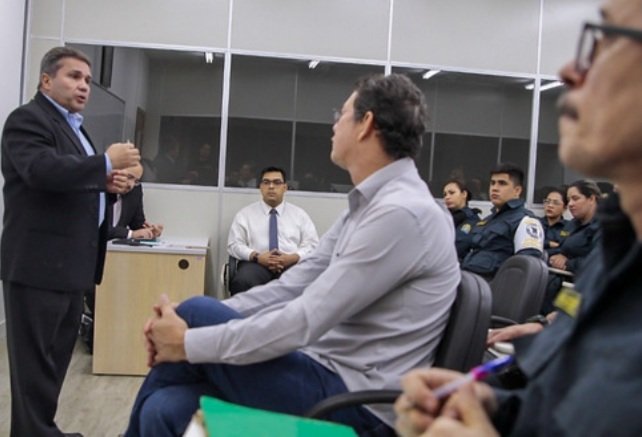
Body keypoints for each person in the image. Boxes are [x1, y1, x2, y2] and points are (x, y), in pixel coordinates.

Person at [123, 73, 460, 437]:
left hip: (356, 402)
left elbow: (306, 319)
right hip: (321, 368)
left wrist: (187, 339)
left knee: (195, 312)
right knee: (164, 408)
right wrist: (184, 326)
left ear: (366, 124)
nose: (334, 124)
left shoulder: (403, 213)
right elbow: (292, 286)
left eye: (341, 114)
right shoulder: (369, 205)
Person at [394, 1, 642, 435]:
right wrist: (491, 405)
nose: (570, 70)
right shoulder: (617, 250)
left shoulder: (548, 230)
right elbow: (555, 398)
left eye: (604, 44)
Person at [1, 46, 140, 437]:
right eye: (74, 76)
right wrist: (106, 162)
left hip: (72, 266)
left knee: (54, 361)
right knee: (34, 366)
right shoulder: (28, 120)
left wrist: (105, 184)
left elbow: (71, 179)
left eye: (88, 80)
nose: (84, 86)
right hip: (38, 265)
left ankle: (41, 430)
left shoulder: (75, 128)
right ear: (46, 80)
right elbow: (41, 170)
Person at [227, 166, 319, 294]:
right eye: (266, 182)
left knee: (304, 282)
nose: (271, 186)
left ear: (285, 187)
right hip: (256, 264)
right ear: (260, 187)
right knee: (243, 281)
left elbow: (313, 245)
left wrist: (292, 257)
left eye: (277, 182)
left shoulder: (299, 215)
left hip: (291, 264)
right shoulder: (245, 214)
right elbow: (234, 245)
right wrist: (257, 256)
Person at [460, 163, 544, 280]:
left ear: (517, 191)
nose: (494, 188)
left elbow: (526, 268)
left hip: (493, 286)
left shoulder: (526, 221)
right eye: (492, 183)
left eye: (502, 183)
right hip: (468, 279)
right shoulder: (487, 220)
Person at [541, 179, 602, 313]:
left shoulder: (603, 227)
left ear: (591, 199)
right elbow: (561, 248)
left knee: (562, 320)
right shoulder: (572, 225)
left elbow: (598, 263)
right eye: (569, 200)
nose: (570, 204)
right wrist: (549, 256)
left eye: (575, 199)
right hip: (558, 286)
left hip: (583, 289)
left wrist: (568, 263)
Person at [109, 162, 164, 240]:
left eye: (136, 181)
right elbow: (98, 227)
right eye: (129, 177)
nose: (131, 185)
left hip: (115, 245)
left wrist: (149, 231)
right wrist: (131, 234)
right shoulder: (99, 192)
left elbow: (136, 223)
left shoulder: (135, 190)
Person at [442, 179, 481, 260]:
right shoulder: (442, 218)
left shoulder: (473, 220)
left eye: (452, 193)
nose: (447, 197)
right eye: (445, 194)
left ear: (464, 194)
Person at [539, 186, 568, 258]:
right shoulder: (535, 223)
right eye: (547, 202)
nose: (550, 205)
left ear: (564, 208)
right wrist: (548, 243)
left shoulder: (569, 227)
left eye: (556, 203)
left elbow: (567, 248)